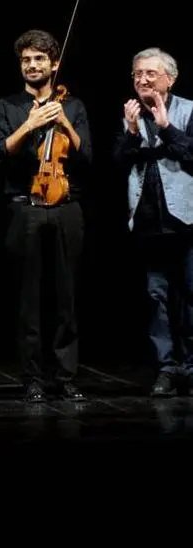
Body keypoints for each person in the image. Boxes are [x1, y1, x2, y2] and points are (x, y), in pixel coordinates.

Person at [0, 29, 92, 403]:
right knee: (27, 299)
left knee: (67, 297)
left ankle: (65, 377)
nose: (32, 66)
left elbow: (86, 156)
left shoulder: (73, 106)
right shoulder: (6, 107)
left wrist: (63, 124)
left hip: (66, 209)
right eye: (26, 60)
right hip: (23, 208)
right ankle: (31, 377)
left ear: (54, 64)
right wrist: (28, 125)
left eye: (39, 59)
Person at [113, 48, 193, 397]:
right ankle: (167, 367)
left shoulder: (189, 110)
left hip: (185, 221)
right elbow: (118, 163)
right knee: (155, 297)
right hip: (148, 224)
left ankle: (190, 367)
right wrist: (131, 132)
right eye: (137, 74)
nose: (142, 80)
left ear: (170, 79)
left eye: (150, 73)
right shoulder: (130, 114)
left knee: (190, 296)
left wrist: (167, 128)